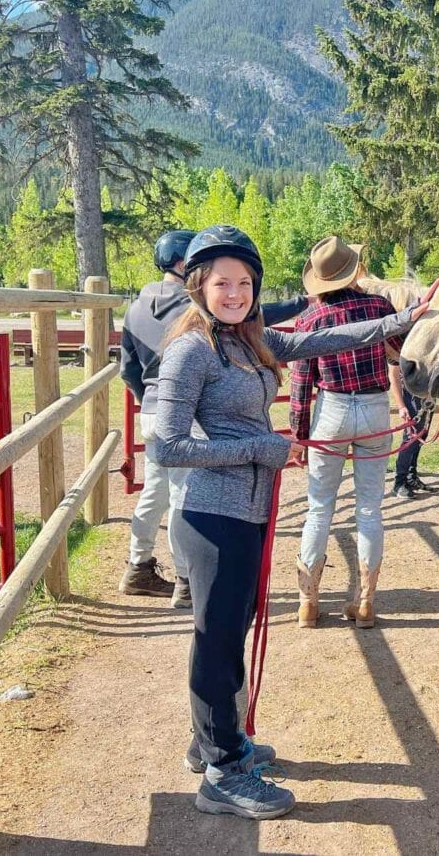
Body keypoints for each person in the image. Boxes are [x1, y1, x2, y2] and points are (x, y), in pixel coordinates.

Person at [153, 225, 419, 820]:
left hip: (246, 511)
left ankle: (211, 744)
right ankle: (222, 771)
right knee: (218, 638)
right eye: (222, 282)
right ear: (198, 285)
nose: (235, 292)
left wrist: (394, 324)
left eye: (244, 282)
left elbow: (325, 340)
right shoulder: (191, 349)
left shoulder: (248, 342)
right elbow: (166, 447)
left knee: (231, 627)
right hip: (211, 514)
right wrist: (260, 446)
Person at [119, 230, 309, 607]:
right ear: (184, 266)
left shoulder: (136, 306)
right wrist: (301, 302)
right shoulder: (191, 306)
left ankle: (138, 563)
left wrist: (148, 400)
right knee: (181, 495)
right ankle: (187, 579)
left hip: (153, 408)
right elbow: (248, 317)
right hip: (189, 408)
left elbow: (127, 368)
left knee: (154, 493)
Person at [289, 236, 409, 630]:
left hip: (333, 411)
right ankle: (365, 603)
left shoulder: (309, 320)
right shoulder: (377, 306)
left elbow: (302, 385)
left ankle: (308, 603)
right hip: (374, 408)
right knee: (370, 508)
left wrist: (299, 435)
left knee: (319, 507)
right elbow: (401, 346)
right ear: (355, 270)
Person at [390, 361, 432, 499]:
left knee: (421, 436)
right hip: (410, 393)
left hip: (426, 392)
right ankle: (399, 482)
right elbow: (393, 374)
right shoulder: (398, 343)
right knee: (411, 439)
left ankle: (410, 476)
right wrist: (401, 406)